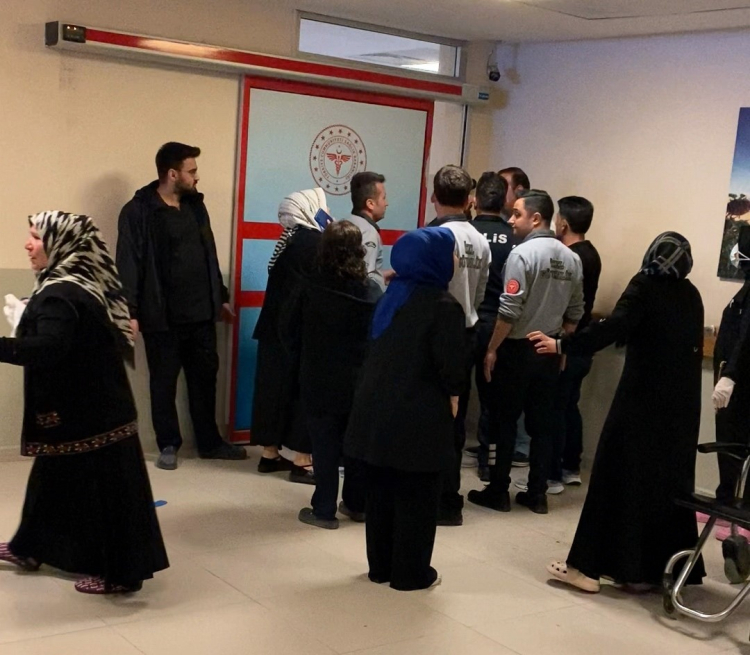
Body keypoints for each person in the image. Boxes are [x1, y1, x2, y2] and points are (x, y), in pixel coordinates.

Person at [0, 211, 169, 594]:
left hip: (92, 414)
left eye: (36, 237)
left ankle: (122, 575)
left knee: (110, 493)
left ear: (62, 244)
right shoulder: (71, 284)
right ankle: (30, 548)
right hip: (90, 407)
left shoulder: (61, 293)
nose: (28, 244)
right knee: (52, 479)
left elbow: (48, 348)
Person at [533, 232, 704, 593]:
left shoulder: (645, 285)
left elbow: (613, 327)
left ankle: (586, 568)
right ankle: (644, 571)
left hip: (639, 404)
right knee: (661, 487)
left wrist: (563, 344)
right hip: (680, 413)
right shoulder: (691, 295)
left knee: (613, 477)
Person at [345, 228, 466, 591]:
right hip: (418, 414)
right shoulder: (444, 306)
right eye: (452, 253)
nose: (455, 259)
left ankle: (380, 567)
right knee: (417, 496)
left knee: (381, 492)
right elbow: (452, 368)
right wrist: (455, 395)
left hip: (375, 411)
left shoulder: (390, 297)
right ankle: (410, 573)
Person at [117, 142, 246, 470]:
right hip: (162, 317)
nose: (196, 177)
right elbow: (129, 262)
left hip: (201, 315)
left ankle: (210, 443)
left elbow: (208, 254)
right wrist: (130, 312)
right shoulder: (138, 212)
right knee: (163, 384)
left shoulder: (195, 207)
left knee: (205, 381)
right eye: (192, 171)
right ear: (172, 174)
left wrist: (221, 296)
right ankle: (168, 444)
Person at [468, 190, 583, 515]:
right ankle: (537, 494)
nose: (511, 220)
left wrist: (492, 348)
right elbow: (576, 312)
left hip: (517, 349)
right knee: (542, 426)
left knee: (504, 421)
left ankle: (498, 491)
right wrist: (562, 346)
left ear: (536, 218)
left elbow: (509, 310)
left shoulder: (522, 255)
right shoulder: (571, 259)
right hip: (548, 349)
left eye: (517, 214)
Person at [284, 221, 382, 529]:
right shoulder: (372, 291)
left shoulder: (309, 287)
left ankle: (324, 509)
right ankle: (356, 504)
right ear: (358, 251)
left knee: (324, 444)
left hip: (319, 376)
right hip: (360, 380)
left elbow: (288, 329)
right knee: (355, 445)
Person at [251, 188, 327, 484]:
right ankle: (302, 461)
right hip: (299, 330)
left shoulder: (289, 239)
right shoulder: (315, 242)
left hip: (273, 327)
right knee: (302, 392)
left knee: (273, 391)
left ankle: (270, 454)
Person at [428, 165, 491, 527]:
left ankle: (427, 495)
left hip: (432, 336)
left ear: (433, 197)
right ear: (469, 199)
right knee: (455, 420)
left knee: (426, 417)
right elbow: (480, 295)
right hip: (465, 333)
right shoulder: (479, 241)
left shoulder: (431, 237)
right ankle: (449, 500)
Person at [549, 196, 602, 488]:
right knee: (570, 405)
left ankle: (552, 474)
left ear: (564, 224)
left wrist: (562, 345)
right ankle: (571, 466)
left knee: (557, 407)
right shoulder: (592, 254)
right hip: (584, 342)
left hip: (568, 342)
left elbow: (568, 306)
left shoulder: (570, 258)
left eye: (557, 218)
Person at [471, 172, 518, 482]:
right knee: (493, 400)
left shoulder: (465, 233)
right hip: (499, 326)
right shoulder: (515, 239)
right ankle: (488, 464)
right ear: (504, 202)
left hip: (466, 321)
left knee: (454, 393)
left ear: (475, 200)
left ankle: (448, 458)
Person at [713, 225, 750, 505]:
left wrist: (730, 375)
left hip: (740, 385)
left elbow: (747, 337)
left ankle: (731, 504)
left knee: (732, 446)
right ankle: (728, 500)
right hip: (736, 379)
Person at [499, 167, 532, 467]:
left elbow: (510, 305)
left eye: (504, 185)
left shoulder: (524, 249)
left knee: (516, 405)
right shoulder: (506, 227)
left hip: (521, 334)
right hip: (540, 340)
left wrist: (492, 346)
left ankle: (518, 449)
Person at [347, 172, 389, 291]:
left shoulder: (348, 224)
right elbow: (365, 280)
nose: (386, 203)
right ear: (370, 204)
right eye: (383, 198)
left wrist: (381, 276)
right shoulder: (369, 233)